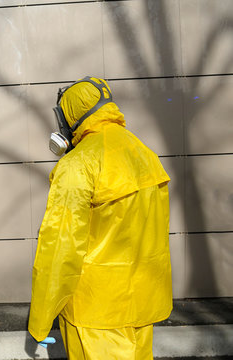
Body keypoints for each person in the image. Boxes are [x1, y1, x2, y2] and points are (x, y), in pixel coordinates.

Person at [28, 77, 172, 359]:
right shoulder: (145, 154)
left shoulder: (77, 165)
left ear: (69, 119)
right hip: (142, 306)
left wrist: (41, 320)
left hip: (95, 314)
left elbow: (59, 249)